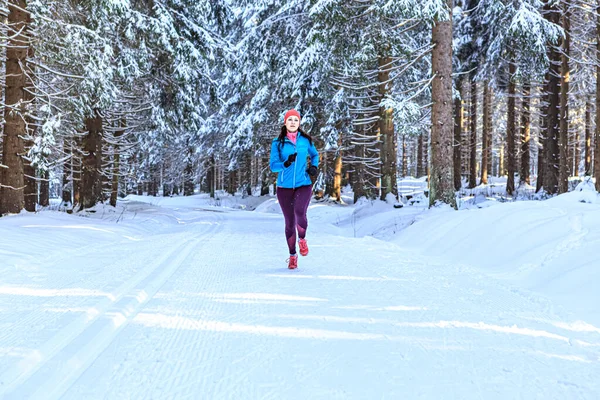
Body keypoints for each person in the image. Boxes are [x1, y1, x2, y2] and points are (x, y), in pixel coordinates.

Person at [269, 109, 319, 269]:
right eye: (289, 119)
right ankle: (292, 255)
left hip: (303, 183)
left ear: (299, 123)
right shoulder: (278, 143)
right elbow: (273, 166)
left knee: (299, 212)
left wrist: (314, 167)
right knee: (290, 223)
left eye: (295, 120)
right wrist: (285, 163)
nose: (292, 122)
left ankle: (302, 239)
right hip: (284, 187)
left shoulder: (305, 140)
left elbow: (315, 155)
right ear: (285, 122)